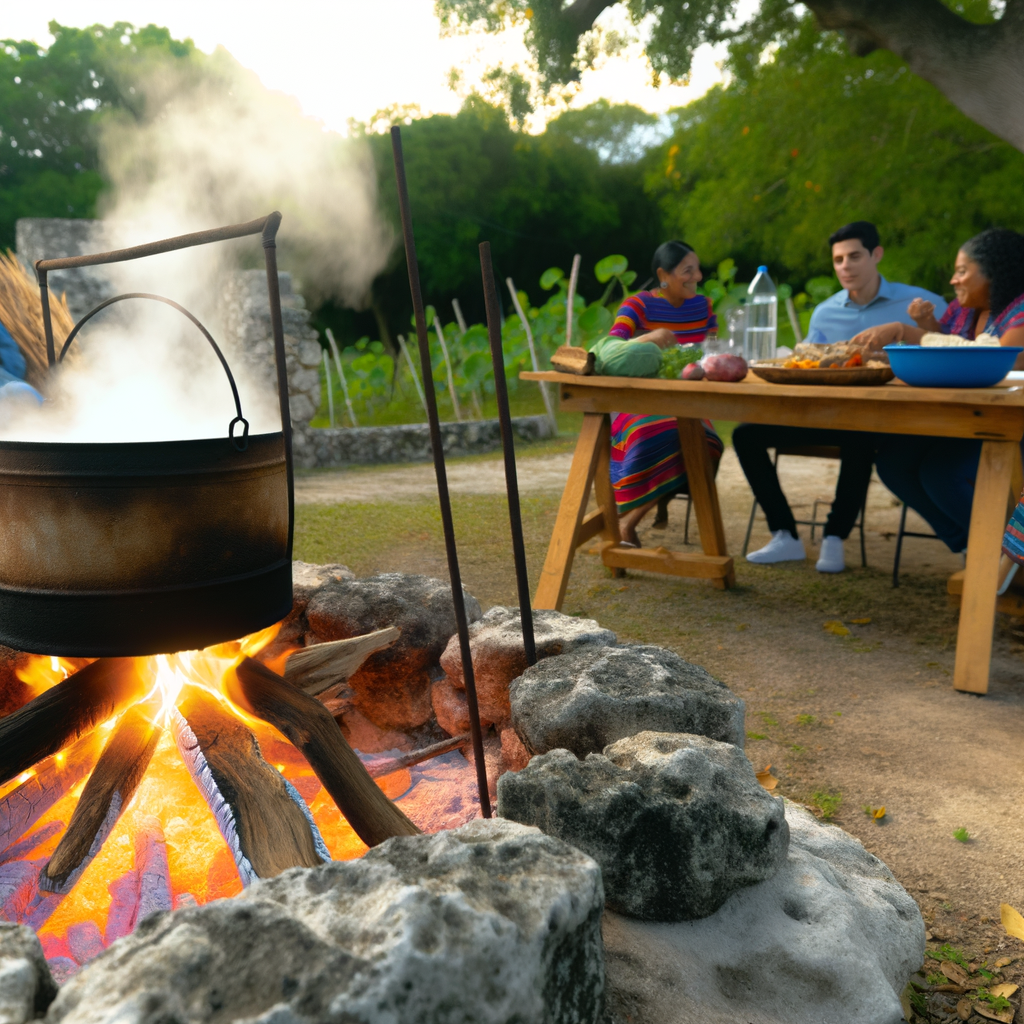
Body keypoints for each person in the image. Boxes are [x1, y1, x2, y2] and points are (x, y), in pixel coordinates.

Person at [733, 221, 946, 573]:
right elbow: (807, 365)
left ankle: (834, 537)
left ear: (876, 255)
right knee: (744, 434)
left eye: (854, 256)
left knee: (859, 433)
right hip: (824, 416)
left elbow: (954, 346)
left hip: (888, 422)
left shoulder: (920, 302)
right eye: (838, 259)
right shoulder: (825, 311)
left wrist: (924, 327)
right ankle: (785, 534)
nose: (845, 266)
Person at [854, 228, 1024, 554]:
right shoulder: (963, 310)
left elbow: (992, 359)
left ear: (996, 271)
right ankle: (972, 546)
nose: (953, 281)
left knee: (940, 474)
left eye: (962, 271)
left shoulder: (1020, 312)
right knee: (893, 461)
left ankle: (1004, 557)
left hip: (1009, 426)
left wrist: (906, 331)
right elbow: (948, 347)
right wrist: (921, 331)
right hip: (962, 420)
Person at [605, 240, 724, 545]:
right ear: (663, 275)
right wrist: (653, 338)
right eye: (688, 270)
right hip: (638, 404)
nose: (697, 276)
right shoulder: (637, 305)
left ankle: (651, 505)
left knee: (707, 442)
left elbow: (712, 352)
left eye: (697, 269)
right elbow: (610, 350)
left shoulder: (704, 307)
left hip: (690, 402)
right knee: (662, 433)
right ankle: (628, 523)